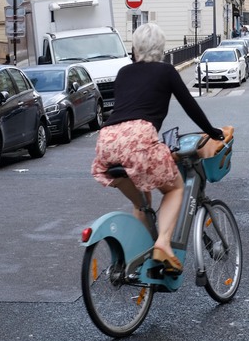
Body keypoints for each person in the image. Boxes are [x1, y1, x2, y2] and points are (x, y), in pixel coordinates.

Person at [91, 22, 225, 275]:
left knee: (142, 203)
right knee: (175, 188)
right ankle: (163, 243)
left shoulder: (123, 73)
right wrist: (211, 131)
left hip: (107, 140)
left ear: (135, 48)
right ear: (161, 48)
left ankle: (136, 261)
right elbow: (190, 105)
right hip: (139, 138)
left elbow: (128, 107)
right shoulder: (166, 72)